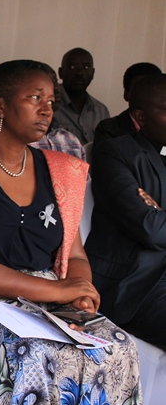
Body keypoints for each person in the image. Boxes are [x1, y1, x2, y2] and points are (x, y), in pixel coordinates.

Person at [0, 60, 141, 405]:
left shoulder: (57, 170)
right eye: (35, 98)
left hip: (47, 300)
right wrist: (54, 290)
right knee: (31, 352)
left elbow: (74, 254)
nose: (47, 109)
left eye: (52, 101)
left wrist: (79, 296)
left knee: (118, 346)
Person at [86, 74, 166, 350]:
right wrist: (156, 218)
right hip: (137, 285)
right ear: (140, 116)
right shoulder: (115, 153)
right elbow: (151, 229)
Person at [93, 62, 162, 149]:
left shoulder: (162, 126)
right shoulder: (109, 129)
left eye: (152, 91)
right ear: (126, 94)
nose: (147, 96)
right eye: (139, 90)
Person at [30, 63, 86, 161]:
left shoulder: (71, 140)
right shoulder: (20, 141)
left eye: (55, 81)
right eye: (47, 82)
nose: (56, 88)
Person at [54, 47, 110, 145]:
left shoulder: (101, 111)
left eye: (86, 67)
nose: (79, 73)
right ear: (60, 72)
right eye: (72, 67)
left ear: (93, 73)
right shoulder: (50, 105)